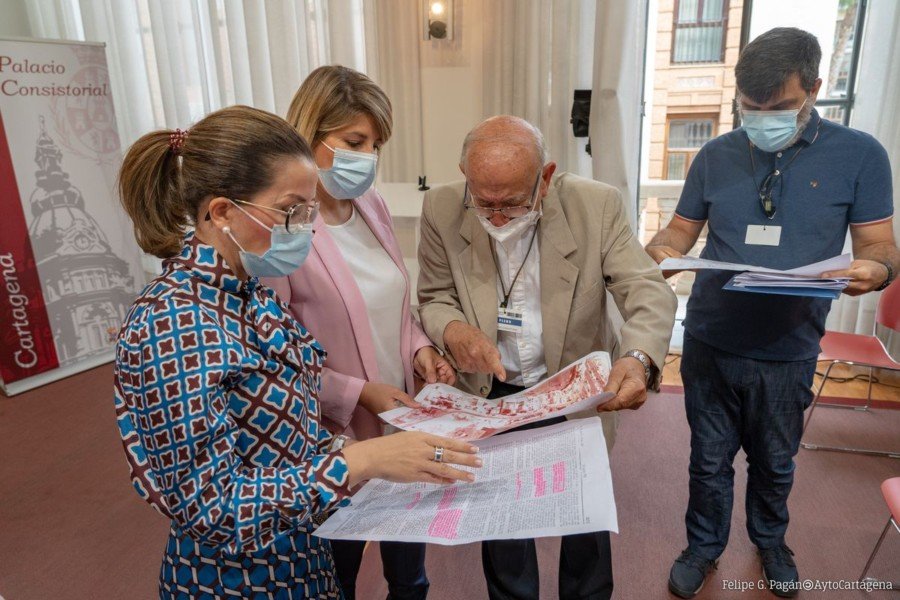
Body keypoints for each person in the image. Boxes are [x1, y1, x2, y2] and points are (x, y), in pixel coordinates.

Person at [113, 105, 481, 599]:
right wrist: (361, 461)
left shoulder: (250, 292)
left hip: (302, 556)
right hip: (238, 581)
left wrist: (370, 457)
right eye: (293, 211)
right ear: (223, 212)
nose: (307, 229)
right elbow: (211, 507)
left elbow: (286, 436)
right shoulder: (174, 323)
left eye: (310, 212)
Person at [645, 28, 899, 599]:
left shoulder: (860, 155)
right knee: (707, 461)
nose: (761, 119)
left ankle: (771, 540)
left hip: (790, 345)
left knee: (775, 461)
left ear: (812, 89)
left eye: (778, 107)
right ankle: (703, 547)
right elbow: (677, 232)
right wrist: (662, 252)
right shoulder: (715, 154)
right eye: (750, 108)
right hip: (712, 338)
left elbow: (881, 248)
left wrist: (875, 273)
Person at [417, 115, 678, 600]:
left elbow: (646, 290)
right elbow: (433, 295)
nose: (496, 218)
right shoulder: (442, 205)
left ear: (547, 176)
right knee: (502, 522)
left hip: (573, 390)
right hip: (490, 393)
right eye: (484, 203)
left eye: (512, 203)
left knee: (584, 519)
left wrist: (639, 356)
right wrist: (453, 329)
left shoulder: (594, 205)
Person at [261, 65, 454, 600]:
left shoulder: (371, 207)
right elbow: (271, 359)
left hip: (401, 421)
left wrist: (421, 352)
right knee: (335, 574)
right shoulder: (284, 231)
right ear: (309, 135)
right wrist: (357, 391)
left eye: (375, 144)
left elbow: (394, 307)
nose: (367, 157)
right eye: (354, 141)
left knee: (410, 575)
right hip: (331, 438)